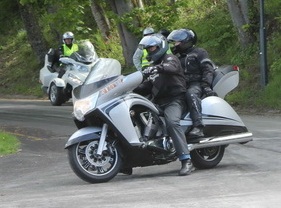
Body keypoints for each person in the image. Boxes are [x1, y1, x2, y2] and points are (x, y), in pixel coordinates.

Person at [134, 34, 193, 176]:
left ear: (160, 47)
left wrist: (158, 68)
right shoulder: (153, 67)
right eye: (147, 49)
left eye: (152, 47)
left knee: (172, 122)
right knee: (137, 114)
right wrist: (128, 88)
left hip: (175, 100)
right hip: (158, 102)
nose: (149, 51)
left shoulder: (170, 59)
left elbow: (170, 67)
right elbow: (146, 86)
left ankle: (186, 160)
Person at [167, 28, 216, 138]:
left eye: (177, 42)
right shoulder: (176, 57)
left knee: (191, 94)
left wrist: (206, 85)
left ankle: (198, 127)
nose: (175, 45)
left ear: (186, 41)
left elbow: (208, 69)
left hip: (195, 83)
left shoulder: (199, 52)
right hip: (181, 85)